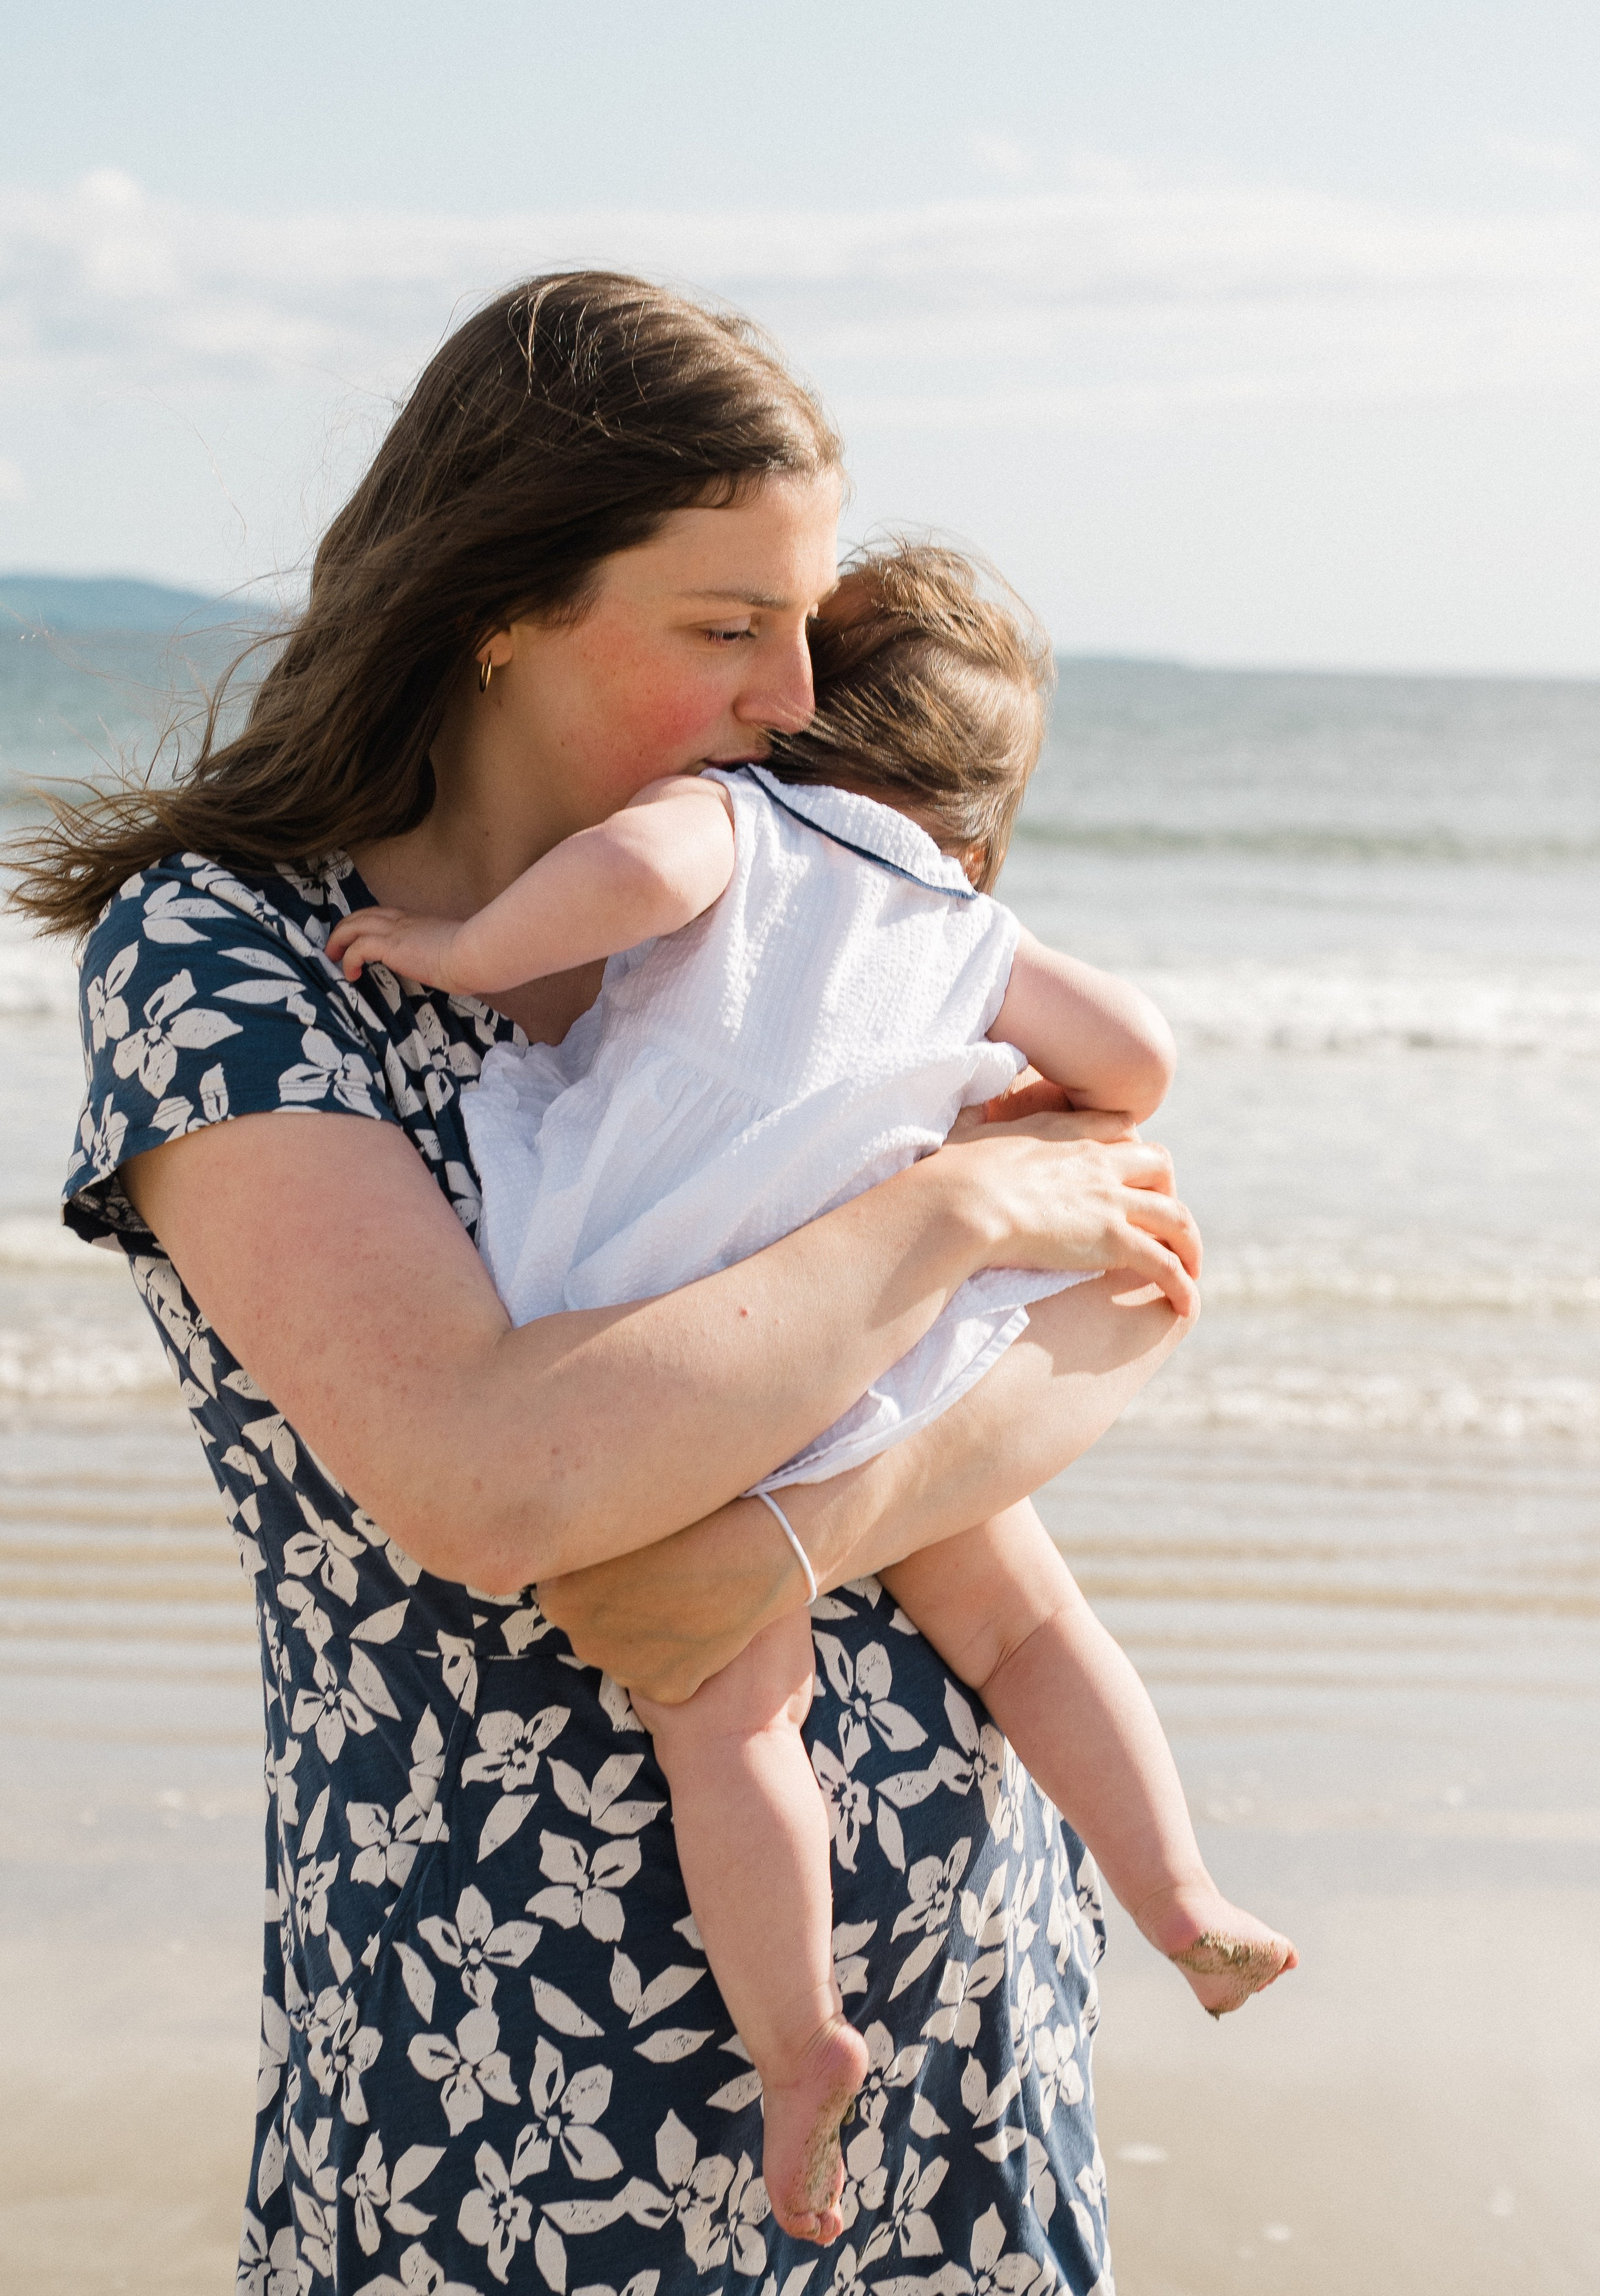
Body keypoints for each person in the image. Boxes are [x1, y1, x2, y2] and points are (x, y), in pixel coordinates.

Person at [19, 273, 1205, 2295]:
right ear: (501, 599)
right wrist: (942, 1222)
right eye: (728, 625)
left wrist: (794, 1534)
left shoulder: (800, 890)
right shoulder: (236, 958)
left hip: (953, 2020)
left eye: (811, 623)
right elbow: (497, 1477)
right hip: (519, 2068)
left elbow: (1134, 1299)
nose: (796, 691)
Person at [326, 543, 1296, 2244]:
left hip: (677, 1340)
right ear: (985, 801)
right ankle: (1186, 1890)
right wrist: (1027, 1087)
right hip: (872, 1353)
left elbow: (621, 873)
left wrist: (466, 948)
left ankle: (796, 2047)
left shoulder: (736, 823)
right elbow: (1138, 1063)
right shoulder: (969, 924)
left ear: (800, 713)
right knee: (1030, 1624)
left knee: (733, 1723)